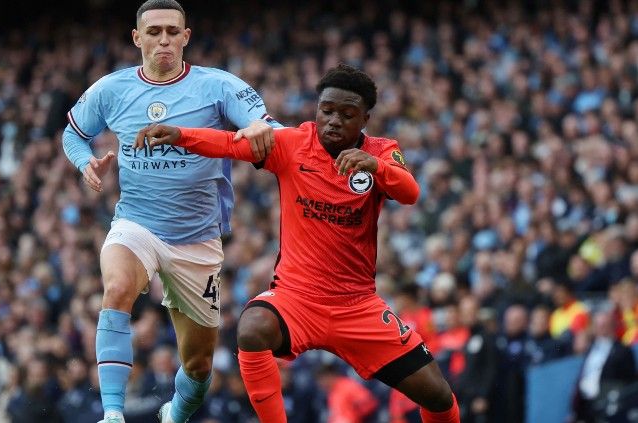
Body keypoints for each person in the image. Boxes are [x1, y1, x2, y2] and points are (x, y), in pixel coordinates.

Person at [135, 63, 460, 423]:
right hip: (296, 299)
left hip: (357, 306)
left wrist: (376, 167)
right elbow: (230, 143)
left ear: (365, 118)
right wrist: (180, 134)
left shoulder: (382, 152)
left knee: (438, 396)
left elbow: (410, 192)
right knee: (252, 328)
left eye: (347, 114)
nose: (334, 121)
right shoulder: (291, 144)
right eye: (327, 111)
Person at [61, 0, 280, 422]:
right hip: (136, 223)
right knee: (117, 288)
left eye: (172, 31)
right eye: (155, 31)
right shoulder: (111, 89)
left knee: (198, 367)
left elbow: (264, 123)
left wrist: (260, 126)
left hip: (197, 239)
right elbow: (73, 134)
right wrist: (83, 162)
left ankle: (173, 415)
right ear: (137, 38)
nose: (164, 39)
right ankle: (112, 414)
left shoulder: (217, 86)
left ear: (186, 37)